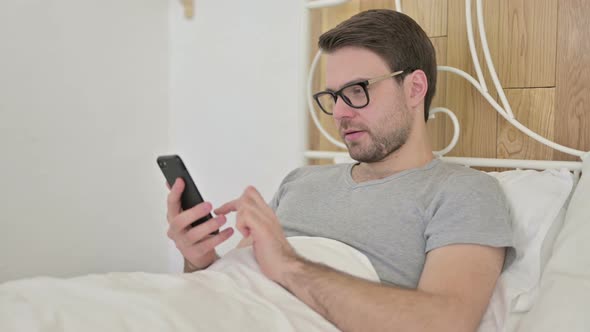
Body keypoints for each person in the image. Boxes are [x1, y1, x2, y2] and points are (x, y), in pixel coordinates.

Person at [165, 9, 513, 332]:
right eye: (334, 97)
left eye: (357, 91)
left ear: (414, 88)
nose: (340, 113)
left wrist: (290, 264)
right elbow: (231, 289)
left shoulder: (462, 191)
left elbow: (446, 322)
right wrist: (198, 261)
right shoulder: (300, 181)